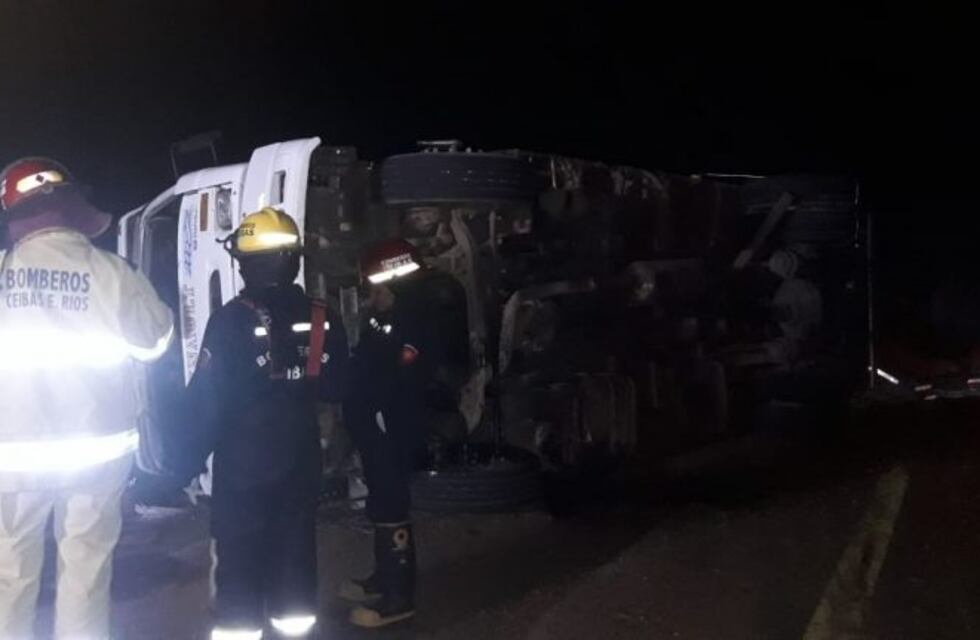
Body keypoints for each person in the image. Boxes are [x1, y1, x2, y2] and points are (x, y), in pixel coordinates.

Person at [0, 157, 174, 639]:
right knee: (86, 571)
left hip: (10, 456)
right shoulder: (111, 273)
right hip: (96, 455)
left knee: (9, 573)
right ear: (73, 210)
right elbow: (156, 342)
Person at [172, 207, 347, 640]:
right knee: (295, 556)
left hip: (244, 465)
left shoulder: (231, 320)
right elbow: (337, 386)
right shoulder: (325, 317)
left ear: (245, 262)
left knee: (239, 562)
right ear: (294, 259)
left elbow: (207, 404)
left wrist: (181, 464)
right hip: (302, 458)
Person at [340, 238, 469, 629]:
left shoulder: (414, 318)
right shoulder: (386, 316)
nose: (370, 294)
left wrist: (376, 412)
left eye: (375, 286)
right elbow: (367, 360)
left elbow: (402, 378)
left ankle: (399, 597)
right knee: (381, 501)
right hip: (374, 424)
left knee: (392, 502)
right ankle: (383, 577)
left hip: (391, 425)